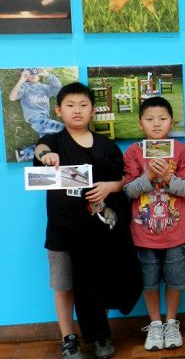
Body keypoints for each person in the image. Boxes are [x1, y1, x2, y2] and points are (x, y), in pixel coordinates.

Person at [34, 82, 141, 359]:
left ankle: (100, 334)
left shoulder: (106, 145)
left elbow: (124, 180)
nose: (77, 110)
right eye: (70, 105)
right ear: (59, 110)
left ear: (93, 110)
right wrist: (46, 155)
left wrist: (108, 187)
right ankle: (68, 338)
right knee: (63, 285)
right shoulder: (54, 142)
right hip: (62, 229)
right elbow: (40, 150)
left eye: (83, 105)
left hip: (97, 231)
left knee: (97, 281)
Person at [123, 97, 185, 351]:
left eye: (162, 119)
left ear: (171, 122)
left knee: (175, 280)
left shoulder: (182, 151)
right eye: (149, 119)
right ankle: (154, 324)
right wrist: (149, 175)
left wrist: (167, 177)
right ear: (140, 123)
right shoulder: (133, 152)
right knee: (148, 281)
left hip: (175, 234)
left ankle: (171, 322)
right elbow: (129, 190)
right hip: (143, 234)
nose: (156, 124)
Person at [9, 68, 64, 161]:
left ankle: (24, 153)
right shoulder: (25, 87)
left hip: (44, 120)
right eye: (29, 72)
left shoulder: (45, 88)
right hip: (37, 119)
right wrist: (21, 80)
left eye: (34, 71)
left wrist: (48, 75)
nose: (33, 75)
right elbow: (12, 97)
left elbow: (58, 89)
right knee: (65, 129)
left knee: (52, 145)